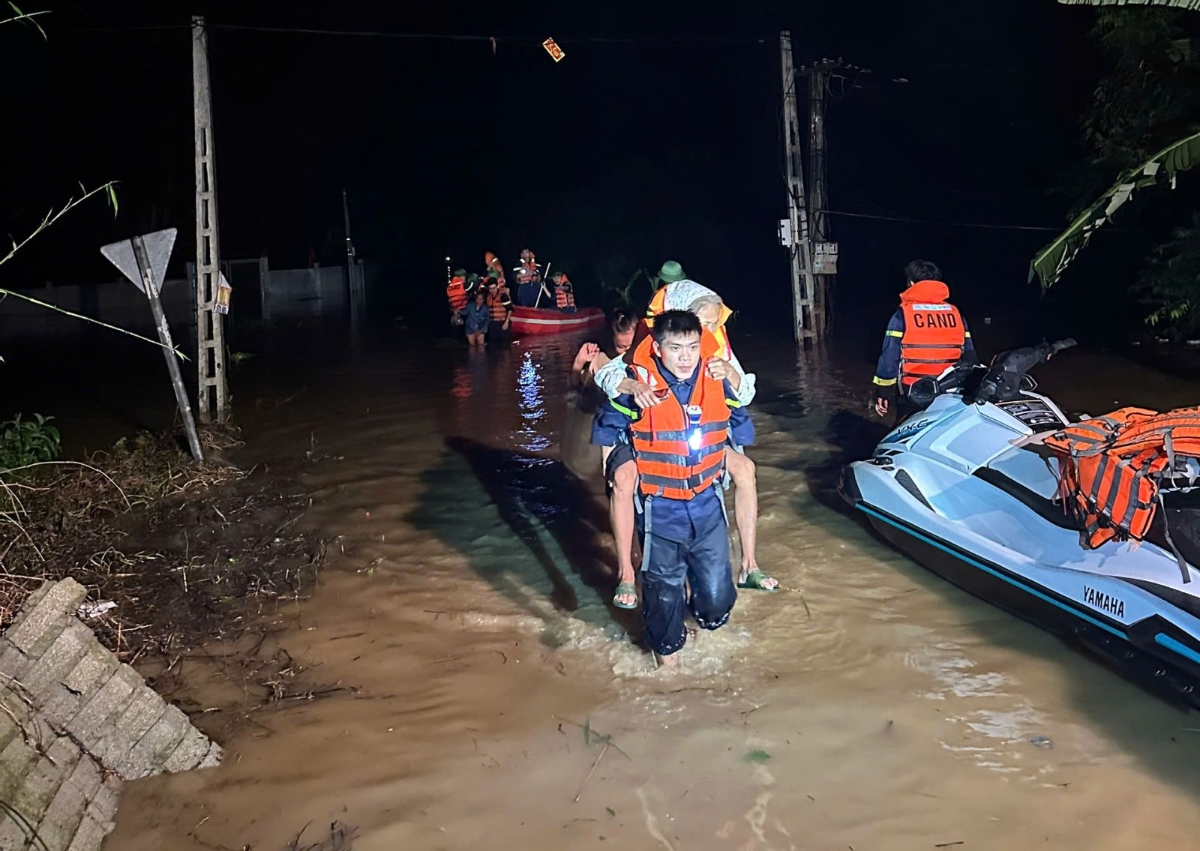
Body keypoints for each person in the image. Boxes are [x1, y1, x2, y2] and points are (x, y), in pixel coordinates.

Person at [593, 265, 776, 611]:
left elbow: (746, 393)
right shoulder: (652, 343)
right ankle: (626, 574)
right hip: (648, 437)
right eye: (703, 323)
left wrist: (732, 376)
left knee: (745, 469)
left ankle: (748, 565)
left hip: (694, 439)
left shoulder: (713, 345)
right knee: (624, 478)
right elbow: (606, 374)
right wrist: (632, 385)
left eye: (711, 324)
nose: (709, 331)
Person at [592, 310, 753, 667]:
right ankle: (668, 659)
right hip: (660, 508)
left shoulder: (716, 377)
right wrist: (615, 468)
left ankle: (700, 617)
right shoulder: (638, 384)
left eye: (693, 347)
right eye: (676, 348)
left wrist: (735, 385)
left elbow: (741, 420)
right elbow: (606, 424)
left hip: (707, 504)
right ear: (659, 349)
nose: (685, 356)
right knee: (663, 594)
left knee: (717, 599)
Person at [872, 259, 977, 421]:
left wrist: (883, 391)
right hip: (951, 387)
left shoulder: (903, 313)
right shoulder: (956, 313)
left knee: (906, 428)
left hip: (913, 389)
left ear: (911, 283)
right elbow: (970, 355)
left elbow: (890, 355)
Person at [486, 277, 513, 346]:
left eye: (493, 288)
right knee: (493, 346)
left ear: (497, 286)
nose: (492, 291)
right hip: (493, 324)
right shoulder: (488, 297)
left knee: (505, 346)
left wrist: (506, 322)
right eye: (490, 289)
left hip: (503, 323)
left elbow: (510, 309)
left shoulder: (503, 296)